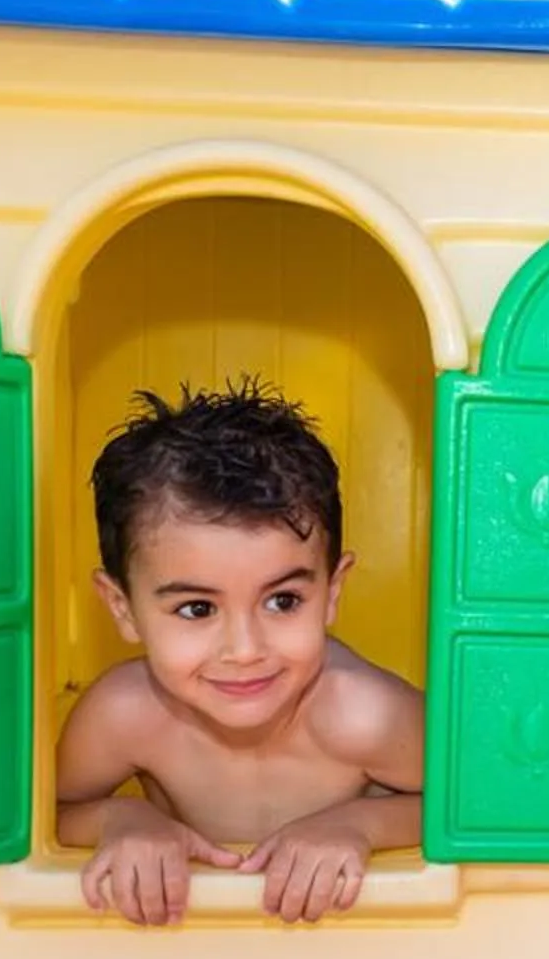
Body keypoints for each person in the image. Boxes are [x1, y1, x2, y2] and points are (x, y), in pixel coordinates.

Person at [55, 380, 425, 926]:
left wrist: (361, 826)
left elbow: (475, 806)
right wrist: (123, 820)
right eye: (197, 610)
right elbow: (47, 815)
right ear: (122, 607)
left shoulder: (365, 714)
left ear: (332, 591)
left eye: (283, 600)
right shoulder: (124, 715)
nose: (246, 650)